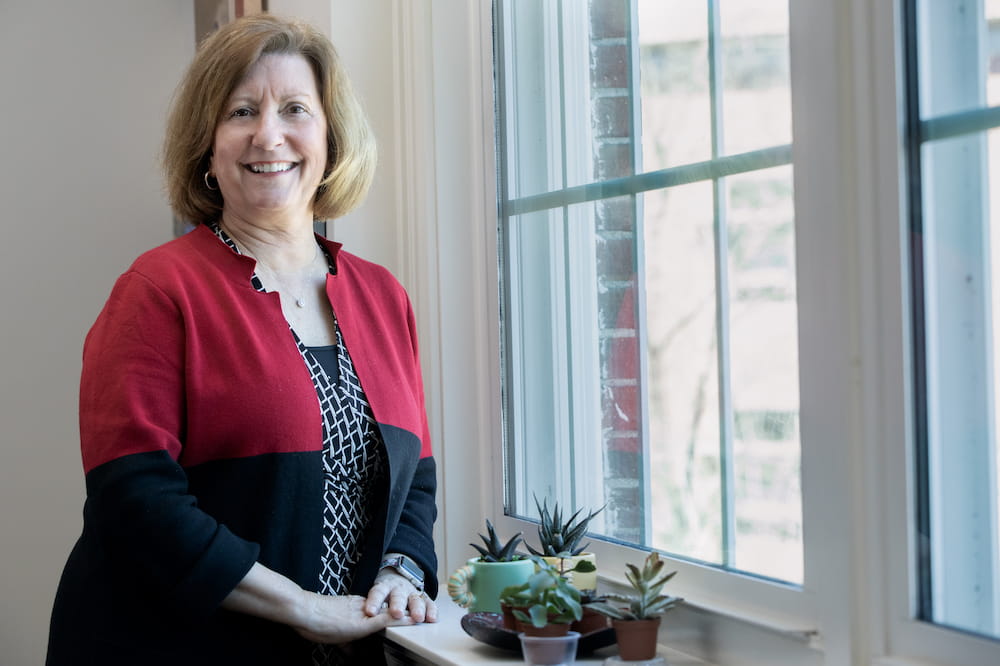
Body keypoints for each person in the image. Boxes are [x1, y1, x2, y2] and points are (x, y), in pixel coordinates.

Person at [46, 14, 437, 665]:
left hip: (342, 650)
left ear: (331, 136)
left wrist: (403, 570)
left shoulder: (383, 296)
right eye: (242, 111)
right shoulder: (157, 290)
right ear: (208, 144)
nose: (268, 134)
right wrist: (302, 606)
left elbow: (415, 473)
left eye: (294, 109)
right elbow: (133, 497)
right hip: (172, 648)